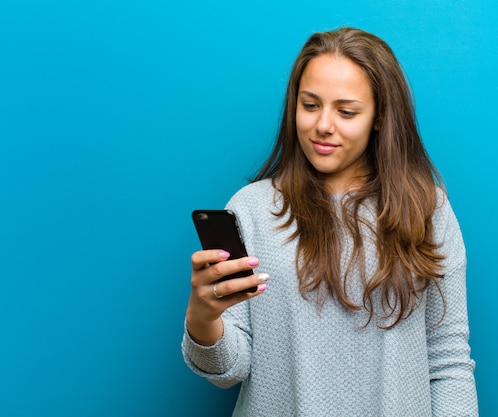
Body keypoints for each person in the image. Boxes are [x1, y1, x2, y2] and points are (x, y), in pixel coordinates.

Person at [182, 27, 478, 416]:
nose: (323, 125)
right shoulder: (252, 209)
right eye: (309, 105)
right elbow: (228, 371)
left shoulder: (426, 208)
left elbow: (448, 361)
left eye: (347, 111)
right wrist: (202, 318)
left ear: (379, 117)